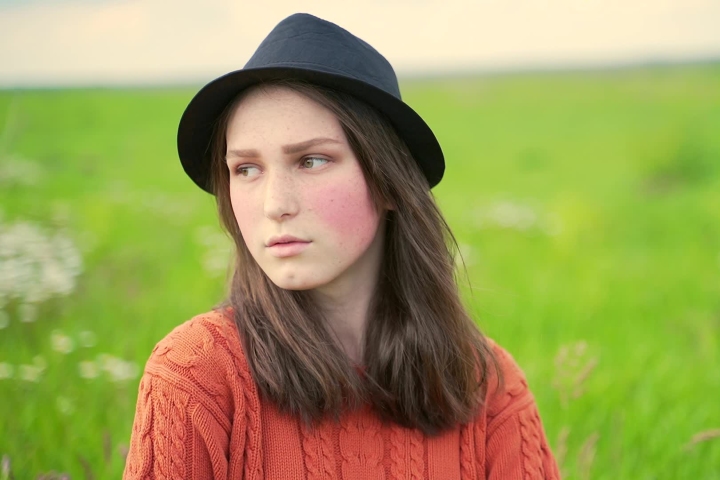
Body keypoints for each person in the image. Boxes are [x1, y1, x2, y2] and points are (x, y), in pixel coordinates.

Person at [124, 13, 559, 479]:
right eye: (246, 169)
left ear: (389, 181)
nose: (275, 205)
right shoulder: (196, 376)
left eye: (311, 160)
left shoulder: (486, 386)